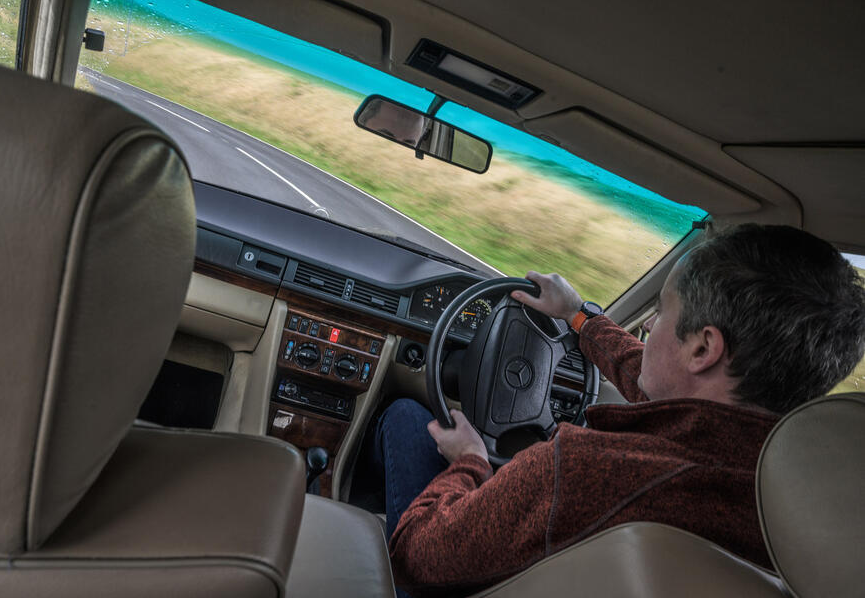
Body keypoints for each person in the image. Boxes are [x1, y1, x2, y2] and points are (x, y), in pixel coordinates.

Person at [366, 223, 865, 597]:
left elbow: (417, 558)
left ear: (702, 350)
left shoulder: (583, 471)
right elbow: (657, 384)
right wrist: (578, 316)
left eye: (661, 314)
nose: (646, 327)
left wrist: (471, 463)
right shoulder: (816, 510)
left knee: (409, 418)